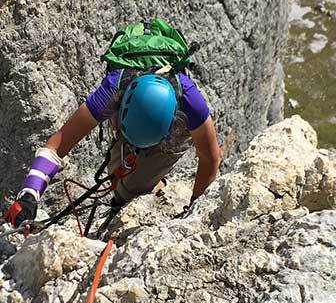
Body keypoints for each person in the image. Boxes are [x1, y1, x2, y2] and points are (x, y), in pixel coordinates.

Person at [4, 19, 221, 229]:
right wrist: (29, 195)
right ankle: (141, 179)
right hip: (133, 119)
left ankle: (148, 183)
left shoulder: (190, 100)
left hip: (167, 131)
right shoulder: (112, 89)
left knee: (129, 191)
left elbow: (210, 158)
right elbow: (56, 146)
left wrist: (194, 207)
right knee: (121, 175)